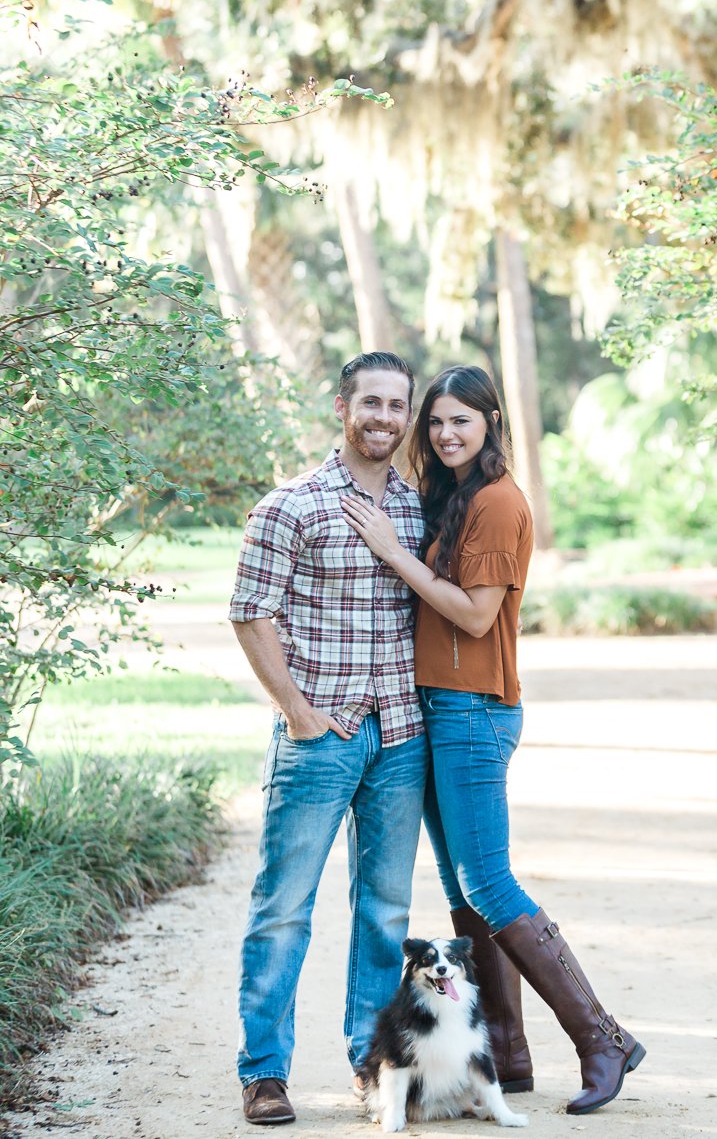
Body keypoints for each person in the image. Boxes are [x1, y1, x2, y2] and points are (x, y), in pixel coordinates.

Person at [341, 364, 646, 1116]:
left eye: (461, 422)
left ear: (491, 424)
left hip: (475, 710)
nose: (445, 434)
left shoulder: (501, 502)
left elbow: (476, 618)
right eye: (436, 422)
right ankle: (504, 1054)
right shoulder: (460, 497)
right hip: (443, 708)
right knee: (462, 894)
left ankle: (602, 1037)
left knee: (489, 884)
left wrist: (391, 551)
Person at [229, 351, 428, 1126]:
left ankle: (372, 1064)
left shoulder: (416, 509)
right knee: (284, 906)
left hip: (403, 734)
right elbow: (250, 612)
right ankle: (265, 1073)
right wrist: (298, 712)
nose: (383, 417)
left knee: (384, 912)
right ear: (341, 407)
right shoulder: (293, 504)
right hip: (321, 736)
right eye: (370, 403)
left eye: (396, 406)